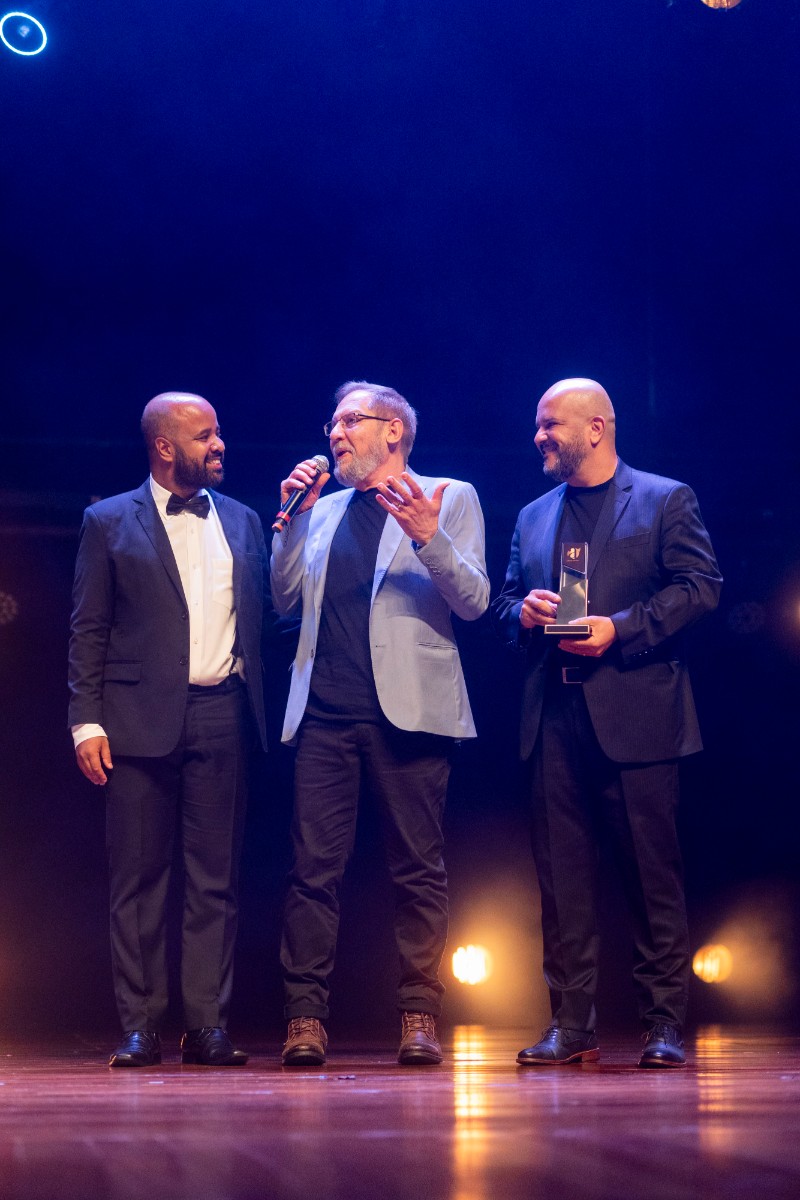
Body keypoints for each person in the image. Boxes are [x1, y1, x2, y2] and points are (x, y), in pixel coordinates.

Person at [492, 378, 721, 1069]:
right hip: (553, 717)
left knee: (652, 878)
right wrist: (524, 613)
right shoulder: (533, 515)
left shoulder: (663, 498)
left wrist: (619, 627)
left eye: (550, 425)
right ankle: (571, 1025)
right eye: (538, 425)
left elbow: (700, 587)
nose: (538, 436)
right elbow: (505, 604)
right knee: (561, 884)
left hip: (636, 715)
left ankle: (663, 1024)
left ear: (596, 428)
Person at [270, 380, 489, 1067]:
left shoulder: (448, 495)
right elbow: (283, 597)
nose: (335, 434)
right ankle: (305, 1020)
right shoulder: (323, 509)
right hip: (324, 715)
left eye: (350, 422)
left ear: (393, 430)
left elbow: (475, 600)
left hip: (412, 714)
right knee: (312, 873)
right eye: (332, 425)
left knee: (418, 871)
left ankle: (420, 1014)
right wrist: (291, 521)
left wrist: (428, 537)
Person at [68, 392, 268, 1068]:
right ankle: (140, 1025)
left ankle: (207, 1024)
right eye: (204, 435)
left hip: (222, 712)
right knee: (138, 879)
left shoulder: (242, 519)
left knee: (215, 879)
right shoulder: (107, 521)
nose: (219, 445)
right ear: (164, 446)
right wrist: (85, 721)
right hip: (134, 719)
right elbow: (88, 627)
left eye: (218, 432)